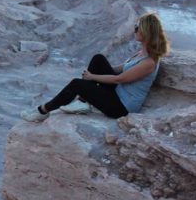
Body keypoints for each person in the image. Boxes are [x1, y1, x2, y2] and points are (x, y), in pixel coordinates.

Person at [21, 12, 169, 122]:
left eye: (137, 27)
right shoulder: (141, 53)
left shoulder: (149, 62)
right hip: (117, 94)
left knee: (76, 84)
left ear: (146, 31)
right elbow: (121, 68)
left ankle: (42, 111)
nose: (134, 30)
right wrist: (99, 70)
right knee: (98, 59)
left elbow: (119, 79)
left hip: (121, 107)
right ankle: (83, 102)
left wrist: (92, 77)